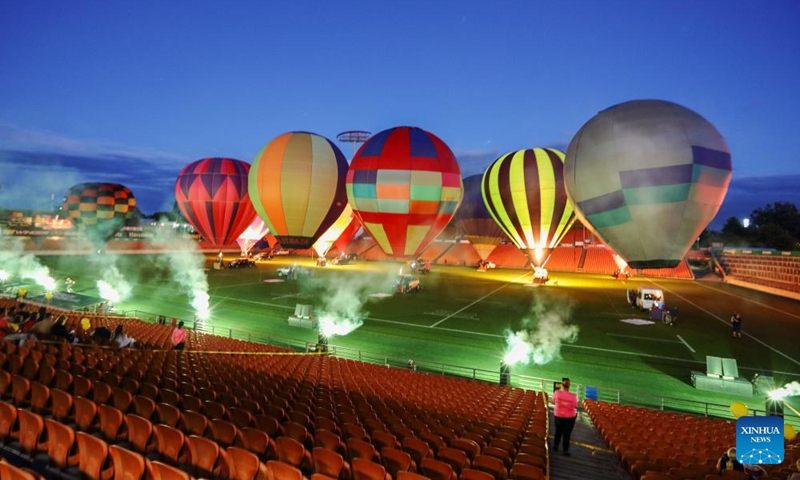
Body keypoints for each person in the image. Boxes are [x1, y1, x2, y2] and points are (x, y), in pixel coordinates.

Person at [553, 377, 578, 455]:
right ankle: (565, 450)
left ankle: (555, 446)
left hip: (558, 416)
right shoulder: (573, 396)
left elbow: (554, 401)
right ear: (569, 386)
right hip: (569, 418)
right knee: (567, 434)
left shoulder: (556, 393)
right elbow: (575, 406)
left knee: (558, 432)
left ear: (562, 385)